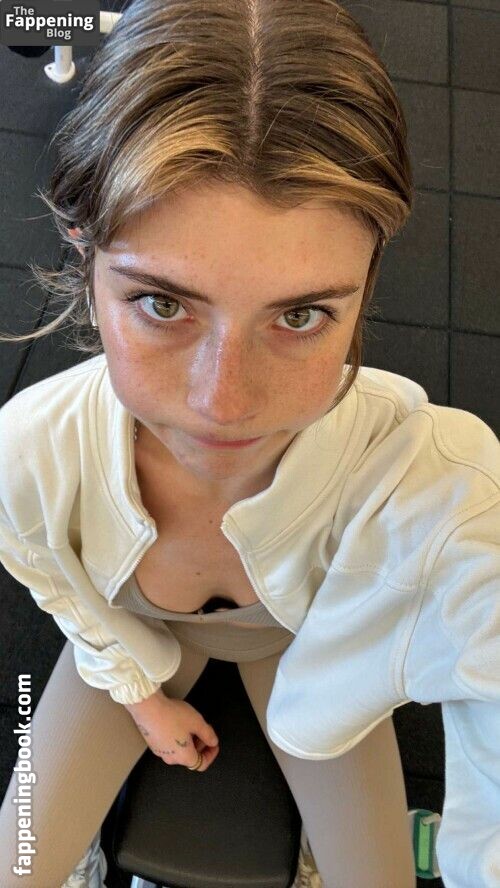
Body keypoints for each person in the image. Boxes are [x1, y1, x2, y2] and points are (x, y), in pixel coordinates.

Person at [0, 2, 498, 887]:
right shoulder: (27, 454)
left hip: (306, 655)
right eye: (162, 303)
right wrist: (140, 697)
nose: (222, 404)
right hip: (136, 634)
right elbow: (58, 583)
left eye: (301, 315)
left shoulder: (424, 477)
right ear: (83, 251)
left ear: (366, 283)